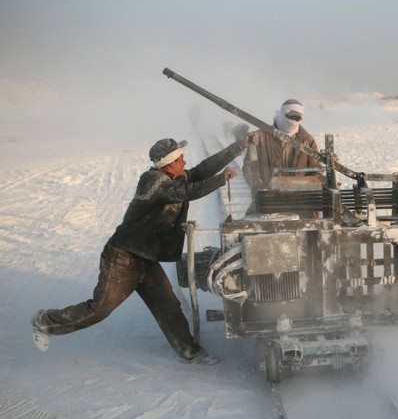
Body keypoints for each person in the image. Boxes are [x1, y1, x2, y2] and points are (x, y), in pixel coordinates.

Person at [31, 135, 251, 364]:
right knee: (99, 310)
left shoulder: (172, 177)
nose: (185, 163)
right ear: (169, 163)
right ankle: (45, 321)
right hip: (123, 258)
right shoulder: (154, 182)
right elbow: (187, 192)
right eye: (181, 158)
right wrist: (220, 180)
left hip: (145, 258)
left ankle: (190, 352)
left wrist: (238, 147)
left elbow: (201, 170)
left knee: (168, 306)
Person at [242, 99, 321, 215]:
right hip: (268, 200)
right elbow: (248, 166)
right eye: (291, 116)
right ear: (282, 113)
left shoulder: (307, 140)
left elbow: (316, 170)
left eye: (297, 118)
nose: (294, 121)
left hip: (299, 202)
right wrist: (258, 187)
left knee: (313, 227)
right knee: (253, 224)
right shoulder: (260, 136)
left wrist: (305, 190)